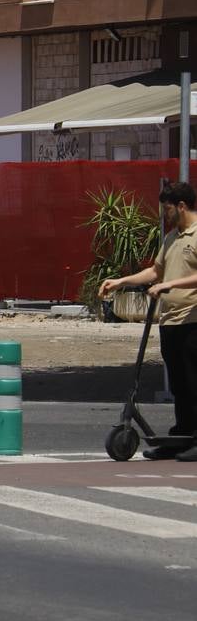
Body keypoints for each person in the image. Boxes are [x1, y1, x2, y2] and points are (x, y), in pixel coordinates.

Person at [100, 180, 197, 461]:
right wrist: (121, 281)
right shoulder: (171, 237)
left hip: (193, 320)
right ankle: (182, 436)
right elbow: (156, 271)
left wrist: (172, 285)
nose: (164, 215)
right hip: (170, 321)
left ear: (181, 206)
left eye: (167, 209)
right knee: (179, 384)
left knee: (194, 382)